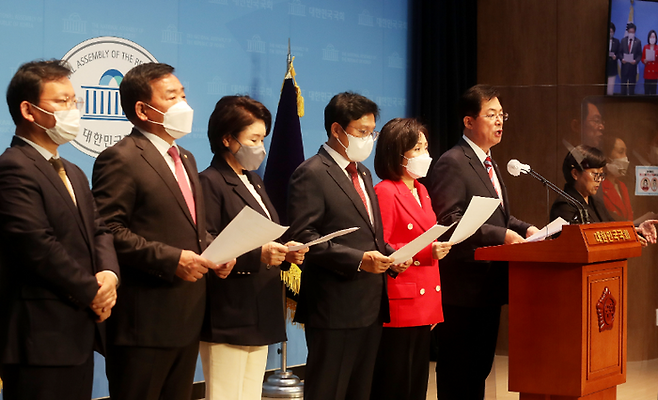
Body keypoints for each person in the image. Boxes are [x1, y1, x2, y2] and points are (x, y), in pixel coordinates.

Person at [91, 62, 235, 400]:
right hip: (143, 322)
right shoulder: (120, 158)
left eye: (183, 95)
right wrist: (172, 260)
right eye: (172, 97)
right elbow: (108, 229)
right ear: (143, 109)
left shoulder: (184, 157)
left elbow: (190, 228)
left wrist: (216, 253)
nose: (184, 105)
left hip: (186, 317)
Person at [0, 60, 120, 400]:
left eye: (74, 102)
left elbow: (99, 230)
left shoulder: (73, 171)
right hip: (39, 336)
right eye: (61, 102)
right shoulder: (13, 167)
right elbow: (36, 245)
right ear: (29, 110)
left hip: (77, 331)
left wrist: (109, 275)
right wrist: (91, 291)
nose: (72, 111)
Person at [286, 92, 411, 400]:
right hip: (333, 306)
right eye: (361, 132)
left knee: (359, 390)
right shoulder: (312, 173)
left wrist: (391, 255)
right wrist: (358, 260)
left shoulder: (363, 172)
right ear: (337, 130)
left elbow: (370, 236)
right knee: (329, 389)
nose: (368, 139)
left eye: (372, 132)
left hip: (369, 303)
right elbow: (305, 238)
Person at [427, 84, 538, 400]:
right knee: (458, 372)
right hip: (463, 289)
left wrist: (527, 229)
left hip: (488, 287)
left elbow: (497, 217)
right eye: (491, 115)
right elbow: (450, 220)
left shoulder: (489, 162)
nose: (500, 121)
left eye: (502, 115)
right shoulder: (453, 162)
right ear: (468, 121)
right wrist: (501, 235)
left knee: (478, 370)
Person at [198, 95, 307, 400]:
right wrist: (259, 255)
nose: (260, 147)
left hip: (261, 307)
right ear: (227, 139)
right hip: (229, 310)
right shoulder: (209, 182)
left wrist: (286, 253)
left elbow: (265, 235)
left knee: (249, 395)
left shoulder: (254, 181)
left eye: (263, 138)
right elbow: (209, 245)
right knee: (225, 394)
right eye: (253, 138)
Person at [369, 118, 451, 400]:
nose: (425, 155)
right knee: (395, 382)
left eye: (426, 148)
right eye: (417, 149)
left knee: (416, 382)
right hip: (401, 299)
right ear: (396, 152)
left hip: (425, 298)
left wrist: (436, 247)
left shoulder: (422, 190)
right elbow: (385, 244)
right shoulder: (385, 190)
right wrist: (426, 252)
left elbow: (424, 235)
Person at [550, 145, 657, 244]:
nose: (600, 180)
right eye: (595, 174)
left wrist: (638, 229)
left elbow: (615, 227)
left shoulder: (595, 202)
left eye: (601, 175)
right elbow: (578, 244)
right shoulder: (563, 206)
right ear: (575, 174)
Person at [600, 136, 633, 221]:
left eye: (626, 153)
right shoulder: (599, 187)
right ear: (607, 156)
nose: (625, 157)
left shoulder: (622, 186)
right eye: (621, 152)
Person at [620, 23, 642, 95]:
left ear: (634, 32)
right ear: (628, 32)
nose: (631, 33)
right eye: (630, 32)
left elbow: (639, 54)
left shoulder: (638, 42)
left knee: (632, 89)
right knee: (623, 88)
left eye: (632, 32)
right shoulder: (623, 41)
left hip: (633, 68)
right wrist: (622, 59)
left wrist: (636, 61)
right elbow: (619, 53)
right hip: (624, 68)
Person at [642, 30, 658, 95]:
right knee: (646, 92)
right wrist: (644, 61)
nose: (652, 38)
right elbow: (642, 58)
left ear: (656, 38)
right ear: (648, 38)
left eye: (654, 37)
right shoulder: (645, 47)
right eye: (651, 37)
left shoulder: (657, 48)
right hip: (647, 73)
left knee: (653, 92)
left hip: (655, 73)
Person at [607, 23, 621, 95]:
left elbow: (619, 53)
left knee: (610, 88)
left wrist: (616, 56)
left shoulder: (617, 41)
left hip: (612, 68)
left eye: (611, 32)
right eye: (609, 31)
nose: (610, 33)